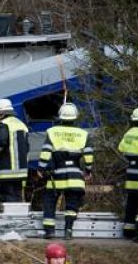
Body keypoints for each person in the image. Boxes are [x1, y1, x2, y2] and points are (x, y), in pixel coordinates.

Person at [38, 103, 93, 240]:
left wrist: (41, 168)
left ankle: (49, 231)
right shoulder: (83, 134)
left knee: (49, 202)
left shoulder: (52, 132)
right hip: (75, 175)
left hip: (56, 175)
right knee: (72, 204)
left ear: (60, 116)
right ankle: (68, 231)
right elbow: (88, 155)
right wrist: (88, 170)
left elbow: (45, 152)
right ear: (75, 117)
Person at [0, 98, 29, 202]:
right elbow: (27, 146)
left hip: (6, 168)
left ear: (1, 112)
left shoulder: (4, 124)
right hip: (21, 169)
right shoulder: (22, 125)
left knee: (7, 196)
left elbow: (1, 141)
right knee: (17, 196)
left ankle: (9, 218)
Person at [118, 108, 138, 242]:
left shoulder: (129, 133)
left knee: (132, 203)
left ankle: (128, 231)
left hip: (132, 175)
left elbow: (122, 149)